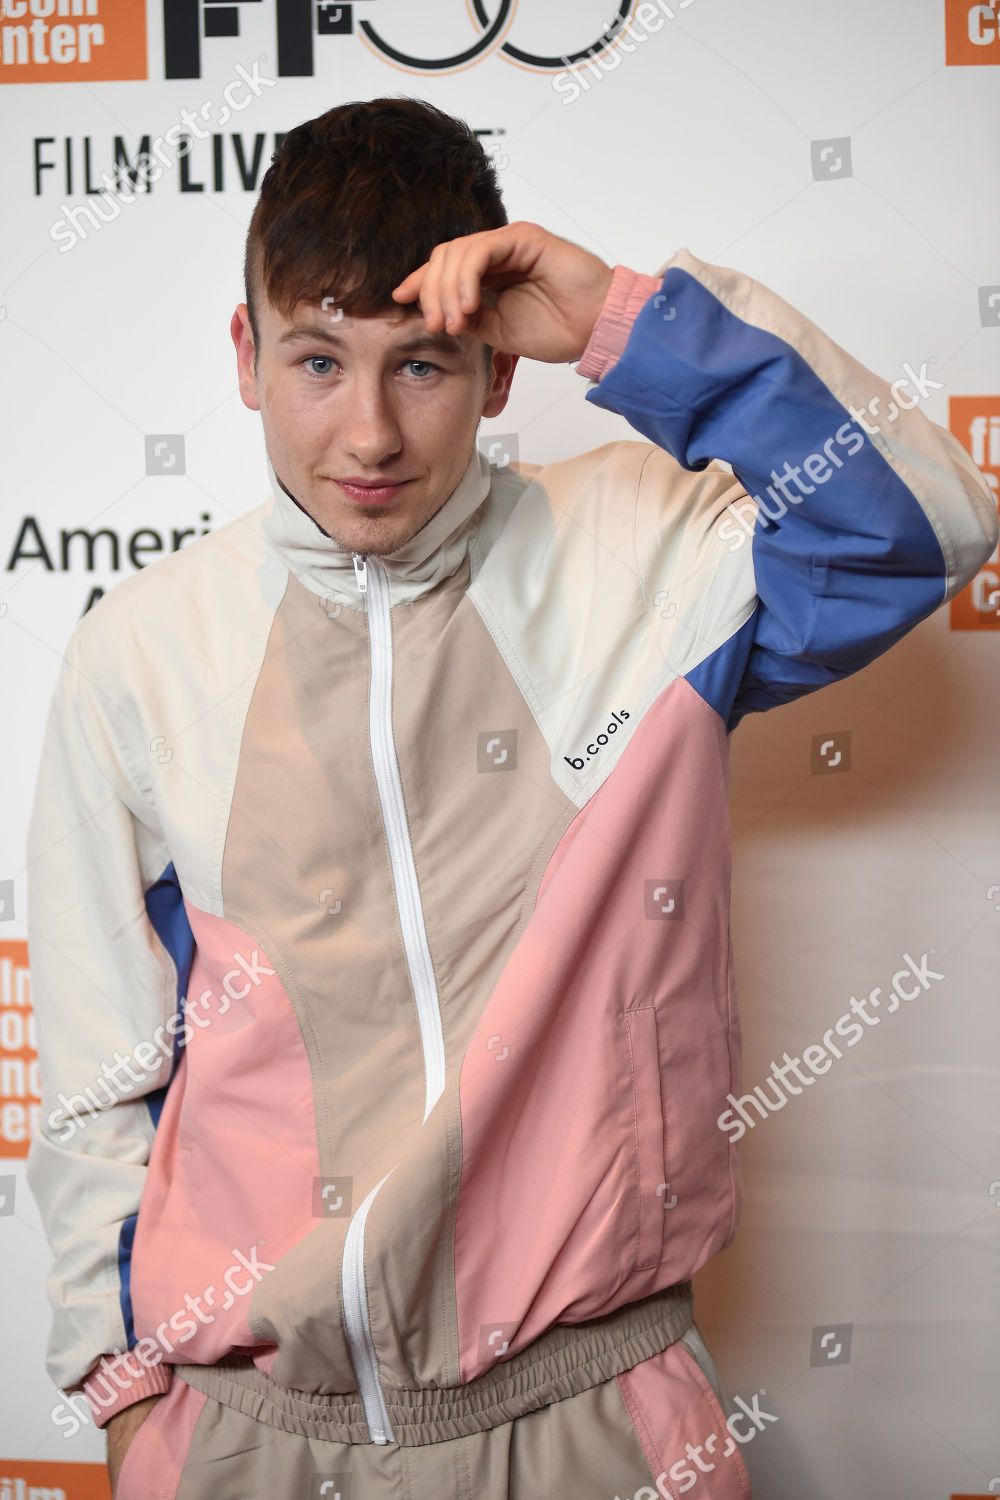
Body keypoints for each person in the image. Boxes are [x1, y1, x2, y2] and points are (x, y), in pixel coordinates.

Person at [24, 95, 996, 1499]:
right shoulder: (142, 646)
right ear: (245, 357)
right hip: (248, 1434)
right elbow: (100, 1066)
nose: (367, 432)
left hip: (591, 1418)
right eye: (317, 360)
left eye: (421, 366)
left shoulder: (641, 554)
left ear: (493, 371)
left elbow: (926, 523)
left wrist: (625, 324)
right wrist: (127, 1404)